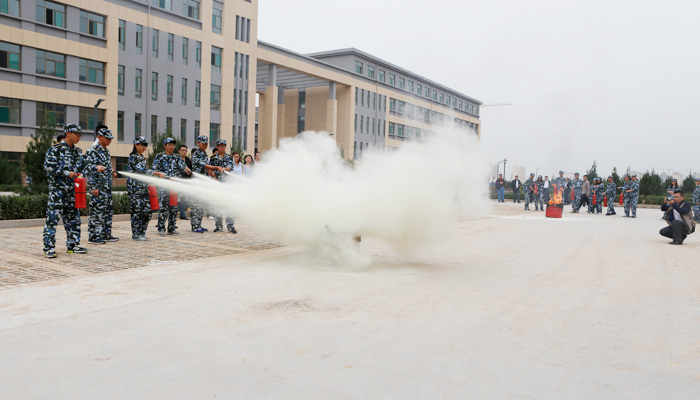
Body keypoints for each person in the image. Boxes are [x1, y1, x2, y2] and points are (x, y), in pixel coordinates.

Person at [42, 123, 89, 257]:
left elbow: (84, 166)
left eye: (80, 134)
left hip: (72, 192)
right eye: (76, 134)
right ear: (68, 133)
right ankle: (49, 248)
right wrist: (66, 172)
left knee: (74, 220)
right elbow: (49, 167)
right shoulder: (55, 150)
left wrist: (95, 168)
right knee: (52, 220)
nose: (79, 137)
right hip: (57, 192)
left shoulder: (78, 152)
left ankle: (73, 245)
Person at [85, 125, 119, 244]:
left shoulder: (106, 151)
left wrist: (112, 171)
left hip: (106, 188)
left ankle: (105, 233)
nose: (109, 140)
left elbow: (106, 168)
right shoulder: (93, 150)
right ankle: (94, 236)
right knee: (96, 212)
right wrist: (93, 187)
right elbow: (89, 169)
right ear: (99, 137)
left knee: (107, 211)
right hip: (98, 188)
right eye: (107, 138)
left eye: (110, 138)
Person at [127, 137, 165, 240]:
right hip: (135, 189)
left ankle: (142, 231)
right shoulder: (133, 157)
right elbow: (141, 170)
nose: (144, 147)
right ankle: (136, 234)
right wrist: (156, 173)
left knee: (148, 211)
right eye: (142, 145)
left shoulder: (142, 157)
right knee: (137, 212)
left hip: (144, 188)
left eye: (145, 145)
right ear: (136, 145)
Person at [153, 137, 191, 235]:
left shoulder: (177, 157)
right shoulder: (159, 157)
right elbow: (155, 170)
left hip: (174, 186)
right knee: (163, 208)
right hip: (164, 186)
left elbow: (183, 166)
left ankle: (172, 227)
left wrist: (186, 169)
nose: (172, 147)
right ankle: (161, 228)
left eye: (173, 145)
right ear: (165, 146)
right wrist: (161, 175)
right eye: (169, 145)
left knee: (173, 207)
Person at [189, 135, 224, 233]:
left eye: (206, 143)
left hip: (203, 182)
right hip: (196, 182)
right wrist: (216, 168)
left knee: (201, 204)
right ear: (198, 143)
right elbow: (204, 165)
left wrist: (212, 173)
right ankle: (195, 226)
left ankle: (199, 224)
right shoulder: (196, 154)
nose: (205, 145)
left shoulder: (204, 154)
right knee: (196, 205)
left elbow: (206, 168)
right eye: (203, 143)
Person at [209, 139, 237, 233]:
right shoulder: (213, 158)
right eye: (220, 146)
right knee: (217, 205)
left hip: (228, 184)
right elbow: (210, 169)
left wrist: (225, 169)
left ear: (225, 146)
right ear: (217, 147)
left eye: (223, 146)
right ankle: (218, 226)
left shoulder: (229, 157)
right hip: (217, 184)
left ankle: (230, 226)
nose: (222, 147)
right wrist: (212, 173)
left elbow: (231, 167)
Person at [178, 144, 193, 220]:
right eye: (182, 150)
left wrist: (189, 172)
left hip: (186, 182)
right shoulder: (177, 159)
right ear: (179, 151)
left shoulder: (188, 160)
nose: (184, 152)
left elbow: (191, 170)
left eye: (185, 150)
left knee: (184, 198)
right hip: (177, 181)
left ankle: (183, 214)